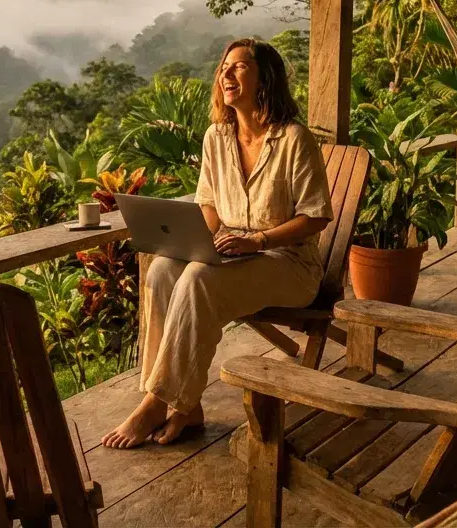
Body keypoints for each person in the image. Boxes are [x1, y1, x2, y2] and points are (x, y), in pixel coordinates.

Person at [101, 38, 334, 449]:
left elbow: (315, 216)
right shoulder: (216, 137)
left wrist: (257, 240)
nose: (226, 74)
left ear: (266, 78)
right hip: (232, 253)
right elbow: (208, 203)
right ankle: (186, 407)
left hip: (289, 263)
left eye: (239, 66)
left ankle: (159, 403)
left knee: (197, 279)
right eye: (224, 67)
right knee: (161, 271)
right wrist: (197, 239)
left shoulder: (294, 139)